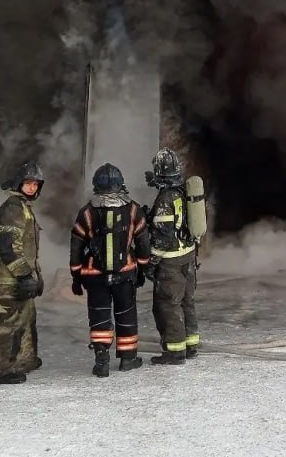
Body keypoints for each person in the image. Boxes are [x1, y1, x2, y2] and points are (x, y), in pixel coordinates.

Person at [69, 162, 152, 377]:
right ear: (121, 184)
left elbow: (76, 247)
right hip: (125, 274)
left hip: (94, 277)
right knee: (126, 314)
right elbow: (143, 245)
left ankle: (101, 359)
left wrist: (76, 277)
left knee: (99, 316)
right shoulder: (133, 210)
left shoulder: (86, 212)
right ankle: (128, 358)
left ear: (95, 185)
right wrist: (143, 269)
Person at [0, 160, 46, 385]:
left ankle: (23, 360)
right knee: (6, 323)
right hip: (10, 278)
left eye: (35, 184)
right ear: (18, 183)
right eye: (28, 183)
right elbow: (8, 247)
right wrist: (24, 275)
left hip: (20, 276)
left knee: (25, 319)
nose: (32, 188)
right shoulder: (13, 208)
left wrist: (34, 275)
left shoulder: (23, 207)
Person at [146, 148, 200, 365]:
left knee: (168, 305)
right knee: (187, 302)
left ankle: (175, 352)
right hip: (188, 255)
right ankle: (191, 345)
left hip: (171, 261)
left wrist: (151, 262)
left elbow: (163, 236)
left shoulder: (165, 199)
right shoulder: (184, 190)